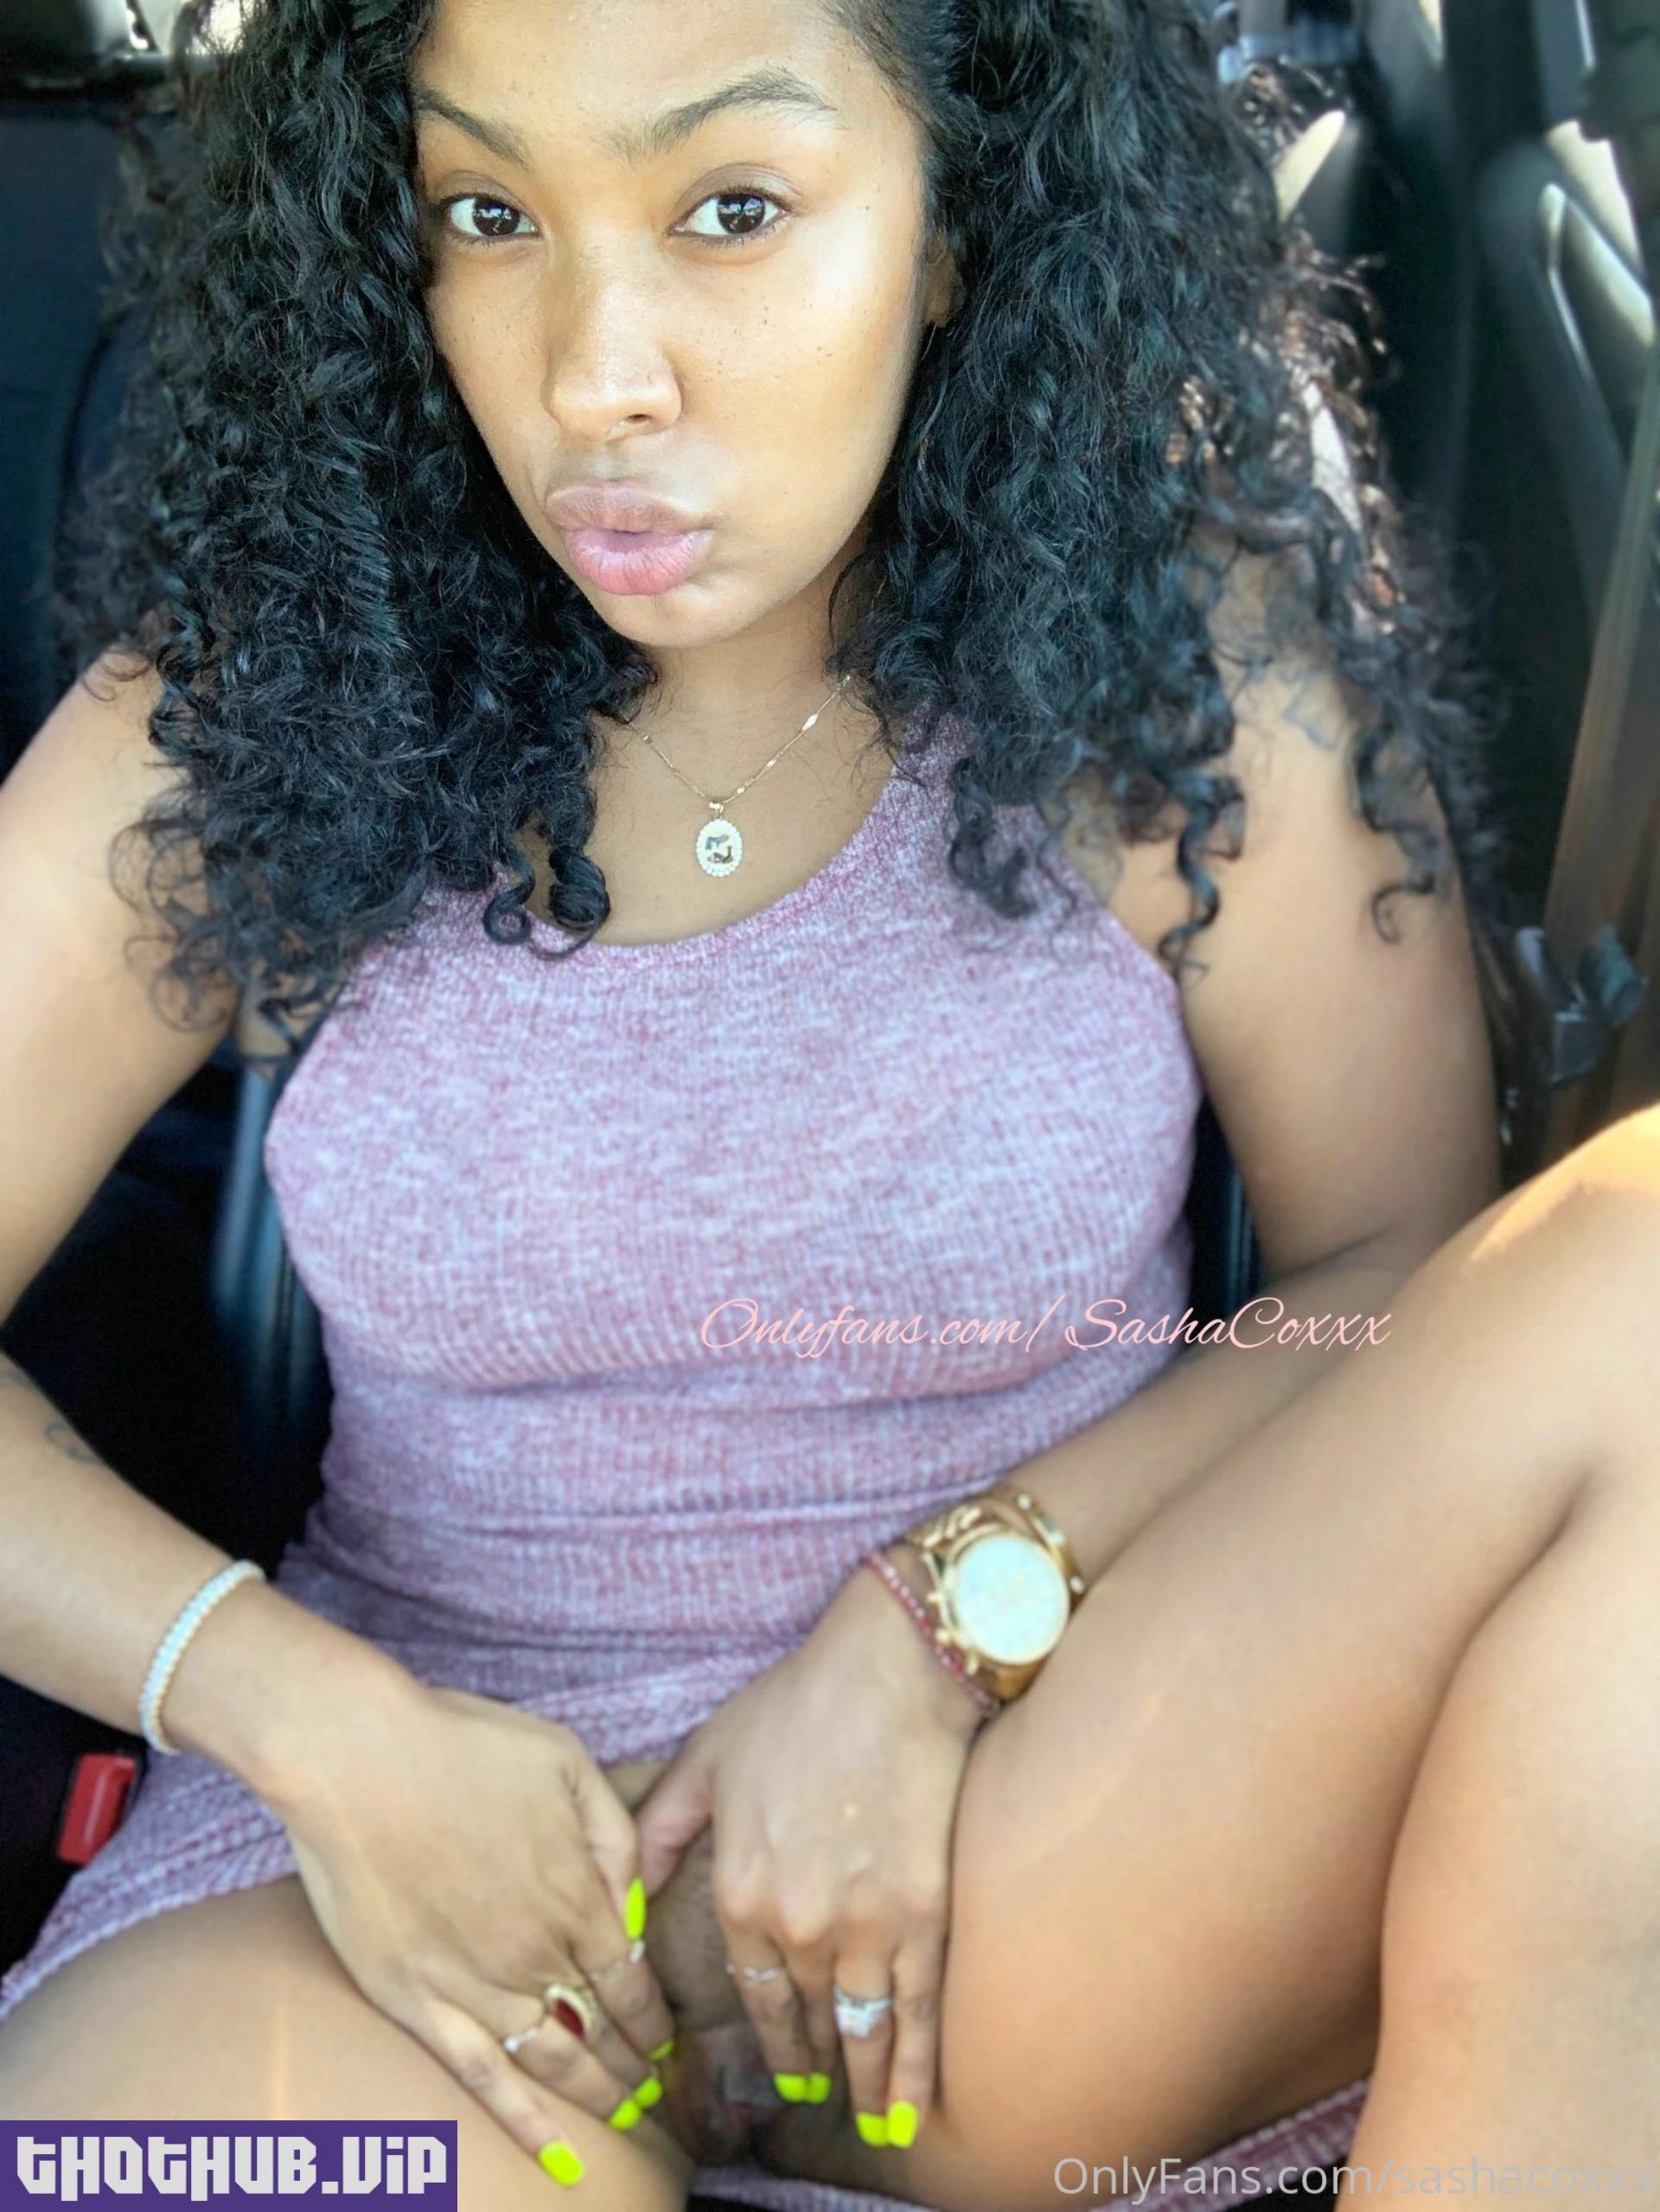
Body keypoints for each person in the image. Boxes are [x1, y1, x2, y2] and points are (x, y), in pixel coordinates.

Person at [3, 0, 1659, 2207]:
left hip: (1030, 1830)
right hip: (379, 1889)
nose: (595, 372)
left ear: (953, 216)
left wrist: (939, 1626)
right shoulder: (251, 692)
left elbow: (1394, 1292)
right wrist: (310, 1720)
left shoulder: (1179, 659)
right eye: (487, 214)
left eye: (732, 209)